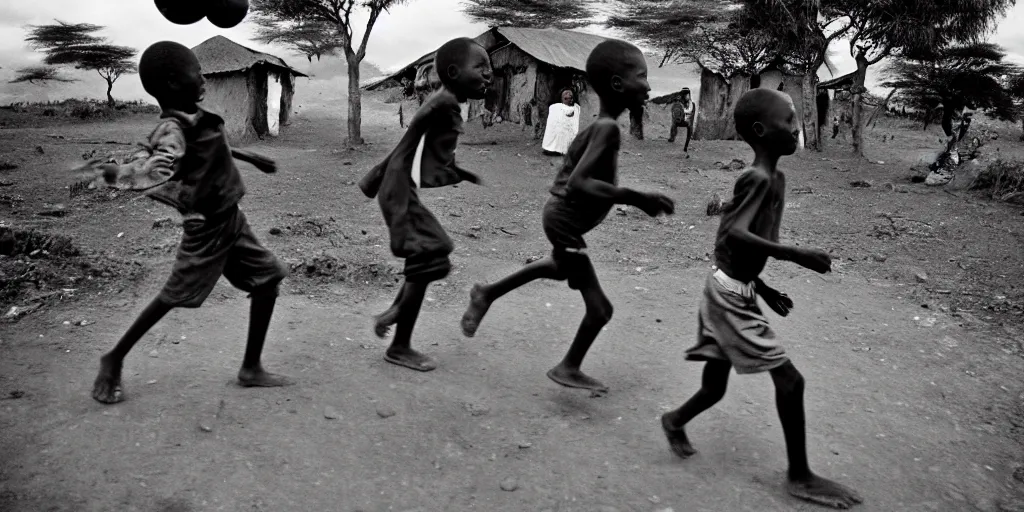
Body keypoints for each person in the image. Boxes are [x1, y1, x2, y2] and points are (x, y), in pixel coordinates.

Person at [659, 88, 863, 509]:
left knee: (714, 388)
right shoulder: (756, 178)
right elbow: (733, 232)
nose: (796, 128)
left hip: (734, 289)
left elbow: (741, 239)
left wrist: (763, 287)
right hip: (728, 297)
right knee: (791, 381)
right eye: (788, 121)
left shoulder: (776, 179)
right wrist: (797, 254)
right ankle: (800, 475)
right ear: (760, 131)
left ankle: (674, 420)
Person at [459, 39, 675, 393]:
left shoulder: (599, 126)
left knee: (557, 268)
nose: (649, 85)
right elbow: (579, 183)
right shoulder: (606, 130)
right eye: (643, 76)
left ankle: (487, 293)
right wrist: (637, 197)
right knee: (600, 309)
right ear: (618, 85)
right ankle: (568, 366)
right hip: (565, 220)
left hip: (561, 219)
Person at [85, 41, 291, 404]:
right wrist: (122, 173)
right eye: (196, 72)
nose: (203, 78)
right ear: (171, 83)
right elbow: (160, 164)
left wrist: (250, 156)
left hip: (232, 220)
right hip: (208, 227)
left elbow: (212, 145)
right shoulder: (172, 129)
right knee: (173, 296)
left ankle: (251, 367)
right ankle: (114, 357)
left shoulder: (196, 118)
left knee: (268, 277)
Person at [357, 37, 492, 372]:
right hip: (398, 192)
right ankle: (399, 341)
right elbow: (420, 150)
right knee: (433, 256)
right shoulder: (443, 106)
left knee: (433, 257)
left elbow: (413, 145)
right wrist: (454, 172)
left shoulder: (442, 101)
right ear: (452, 72)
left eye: (490, 68)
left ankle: (395, 317)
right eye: (481, 68)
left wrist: (376, 176)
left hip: (397, 187)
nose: (489, 75)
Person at [541, 87, 581, 156]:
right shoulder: (555, 108)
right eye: (566, 94)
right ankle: (555, 148)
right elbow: (552, 127)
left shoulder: (577, 108)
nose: (568, 95)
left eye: (570, 95)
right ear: (561, 98)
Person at [668, 87, 696, 156]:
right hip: (679, 120)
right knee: (674, 123)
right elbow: (674, 113)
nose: (688, 96)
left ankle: (686, 146)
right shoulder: (678, 103)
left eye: (688, 95)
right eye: (686, 95)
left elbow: (691, 115)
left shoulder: (692, 104)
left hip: (687, 121)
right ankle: (672, 137)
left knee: (690, 126)